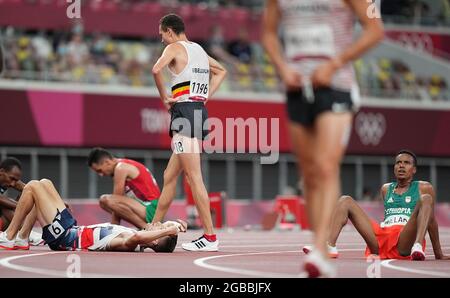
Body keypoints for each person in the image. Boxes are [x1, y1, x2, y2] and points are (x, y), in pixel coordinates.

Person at [261, 0, 384, 277]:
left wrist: (335, 63)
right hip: (296, 88)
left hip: (335, 85)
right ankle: (320, 249)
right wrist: (282, 67)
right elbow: (268, 33)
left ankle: (320, 249)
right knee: (310, 174)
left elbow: (375, 30)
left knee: (326, 165)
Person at [151, 14, 227, 252]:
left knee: (194, 178)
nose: (161, 38)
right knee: (169, 175)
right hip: (196, 111)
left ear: (170, 31)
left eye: (162, 33)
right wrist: (203, 97)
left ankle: (210, 237)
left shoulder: (174, 47)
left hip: (184, 113)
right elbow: (221, 71)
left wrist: (165, 97)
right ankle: (153, 226)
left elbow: (156, 70)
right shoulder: (199, 51)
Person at [303, 150, 450, 261]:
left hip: (404, 240)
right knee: (345, 200)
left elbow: (430, 219)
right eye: (398, 163)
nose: (401, 166)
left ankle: (417, 246)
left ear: (414, 169)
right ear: (394, 168)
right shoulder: (386, 189)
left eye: (407, 163)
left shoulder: (424, 187)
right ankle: (329, 245)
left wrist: (438, 253)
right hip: (381, 238)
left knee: (426, 199)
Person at [0, 179, 187, 252]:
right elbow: (151, 233)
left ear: (154, 241)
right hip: (71, 228)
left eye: (159, 227)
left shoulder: (128, 242)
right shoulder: (133, 237)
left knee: (33, 186)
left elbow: (139, 236)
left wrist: (169, 229)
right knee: (45, 183)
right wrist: (174, 226)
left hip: (64, 238)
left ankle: (10, 236)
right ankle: (22, 237)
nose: (157, 224)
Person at [87, 148, 161, 230]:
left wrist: (113, 229)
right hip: (153, 208)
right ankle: (144, 227)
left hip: (151, 209)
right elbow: (118, 205)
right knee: (106, 202)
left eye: (99, 170)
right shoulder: (123, 164)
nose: (101, 175)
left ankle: (146, 228)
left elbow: (115, 201)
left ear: (107, 162)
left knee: (105, 200)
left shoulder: (120, 168)